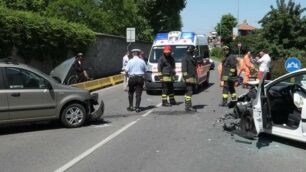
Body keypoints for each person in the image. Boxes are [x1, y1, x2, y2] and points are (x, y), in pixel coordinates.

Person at [182, 45, 197, 112]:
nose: (194, 52)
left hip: (192, 77)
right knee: (189, 92)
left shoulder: (191, 57)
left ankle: (188, 106)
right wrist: (187, 78)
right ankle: (188, 107)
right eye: (193, 51)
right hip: (189, 78)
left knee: (189, 92)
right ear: (191, 50)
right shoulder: (185, 58)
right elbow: (184, 69)